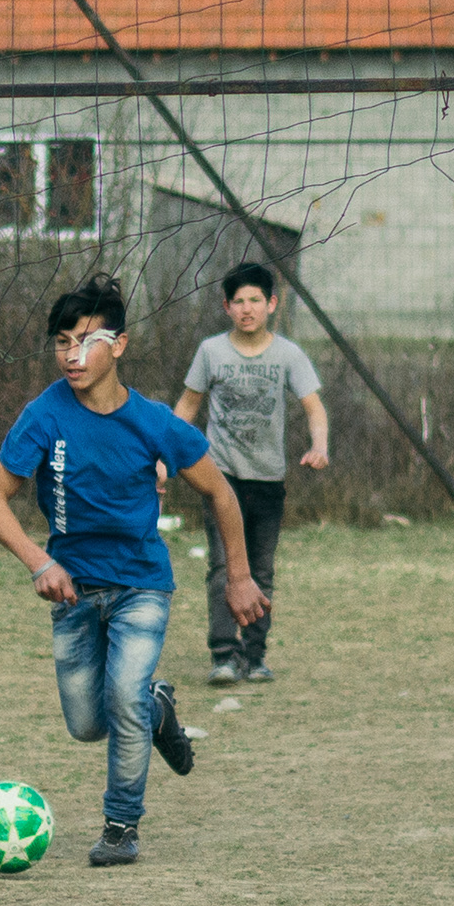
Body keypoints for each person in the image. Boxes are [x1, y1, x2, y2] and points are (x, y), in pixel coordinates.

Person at [0, 273, 265, 869]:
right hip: (74, 591)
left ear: (120, 345)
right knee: (87, 723)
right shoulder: (44, 415)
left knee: (122, 700)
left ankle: (120, 825)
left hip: (140, 585)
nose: (72, 356)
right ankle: (156, 707)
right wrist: (40, 561)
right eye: (62, 342)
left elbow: (221, 493)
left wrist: (238, 576)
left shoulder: (153, 421)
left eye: (86, 340)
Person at [173, 258, 328, 686]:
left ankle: (254, 655)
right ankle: (223, 655)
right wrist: (163, 457)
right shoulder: (211, 351)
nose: (247, 308)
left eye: (255, 300)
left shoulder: (288, 354)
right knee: (223, 567)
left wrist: (319, 446)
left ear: (272, 304)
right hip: (218, 476)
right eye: (238, 301)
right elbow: (187, 406)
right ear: (226, 308)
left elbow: (313, 406)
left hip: (268, 480)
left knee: (261, 570)